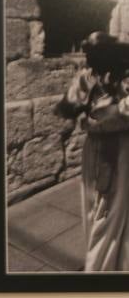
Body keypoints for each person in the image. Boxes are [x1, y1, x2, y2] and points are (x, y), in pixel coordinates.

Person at [56, 32, 129, 271]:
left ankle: (103, 267)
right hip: (101, 150)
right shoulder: (87, 77)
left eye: (95, 54)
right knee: (96, 209)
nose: (89, 59)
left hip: (117, 149)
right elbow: (67, 109)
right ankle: (101, 268)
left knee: (106, 212)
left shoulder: (123, 79)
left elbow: (118, 112)